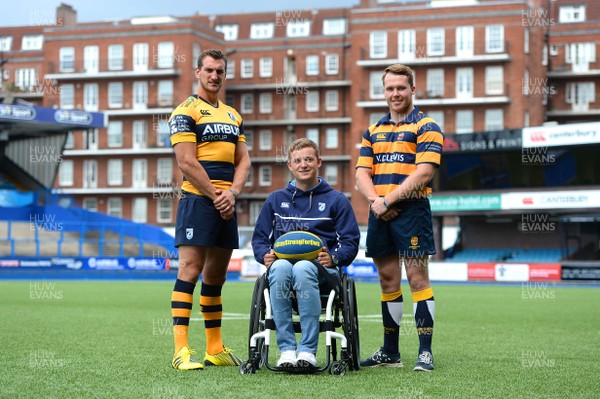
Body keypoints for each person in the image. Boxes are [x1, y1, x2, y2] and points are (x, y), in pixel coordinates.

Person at [355, 64, 444, 372]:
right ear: (384, 92)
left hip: (412, 211)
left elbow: (424, 172)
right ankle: (390, 353)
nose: (395, 94)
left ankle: (424, 352)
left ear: (412, 90)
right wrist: (377, 202)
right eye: (390, 88)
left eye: (401, 88)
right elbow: (361, 173)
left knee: (417, 278)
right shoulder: (372, 131)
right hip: (379, 210)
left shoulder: (427, 125)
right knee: (387, 280)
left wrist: (388, 200)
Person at [168, 49, 251, 370]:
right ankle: (181, 350)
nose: (214, 75)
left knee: (215, 276)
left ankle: (214, 348)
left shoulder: (233, 115)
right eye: (209, 70)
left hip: (226, 203)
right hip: (197, 202)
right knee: (189, 270)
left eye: (220, 71)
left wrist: (233, 193)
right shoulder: (185, 111)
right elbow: (186, 161)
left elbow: (243, 160)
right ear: (197, 72)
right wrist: (218, 196)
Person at [252, 138, 360, 369]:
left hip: (322, 273)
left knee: (302, 267)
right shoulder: (275, 200)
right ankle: (287, 350)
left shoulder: (337, 200)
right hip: (282, 270)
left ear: (319, 162)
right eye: (298, 160)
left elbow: (350, 241)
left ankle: (308, 351)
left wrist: (334, 258)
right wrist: (265, 255)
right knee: (280, 267)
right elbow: (260, 239)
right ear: (290, 166)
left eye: (309, 159)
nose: (304, 165)